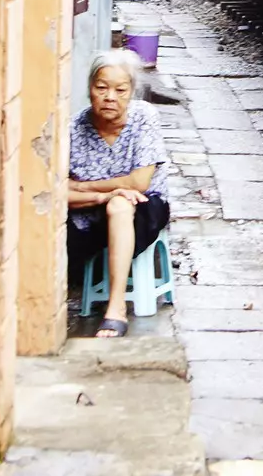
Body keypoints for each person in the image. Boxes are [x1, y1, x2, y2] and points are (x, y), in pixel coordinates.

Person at [66, 49, 171, 337]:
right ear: (90, 89)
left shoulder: (144, 117)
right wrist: (102, 196)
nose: (110, 97)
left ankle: (116, 308)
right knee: (114, 203)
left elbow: (139, 183)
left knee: (123, 205)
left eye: (120, 89)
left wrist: (84, 186)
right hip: (89, 217)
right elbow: (55, 191)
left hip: (145, 209)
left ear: (131, 92)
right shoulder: (74, 128)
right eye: (101, 88)